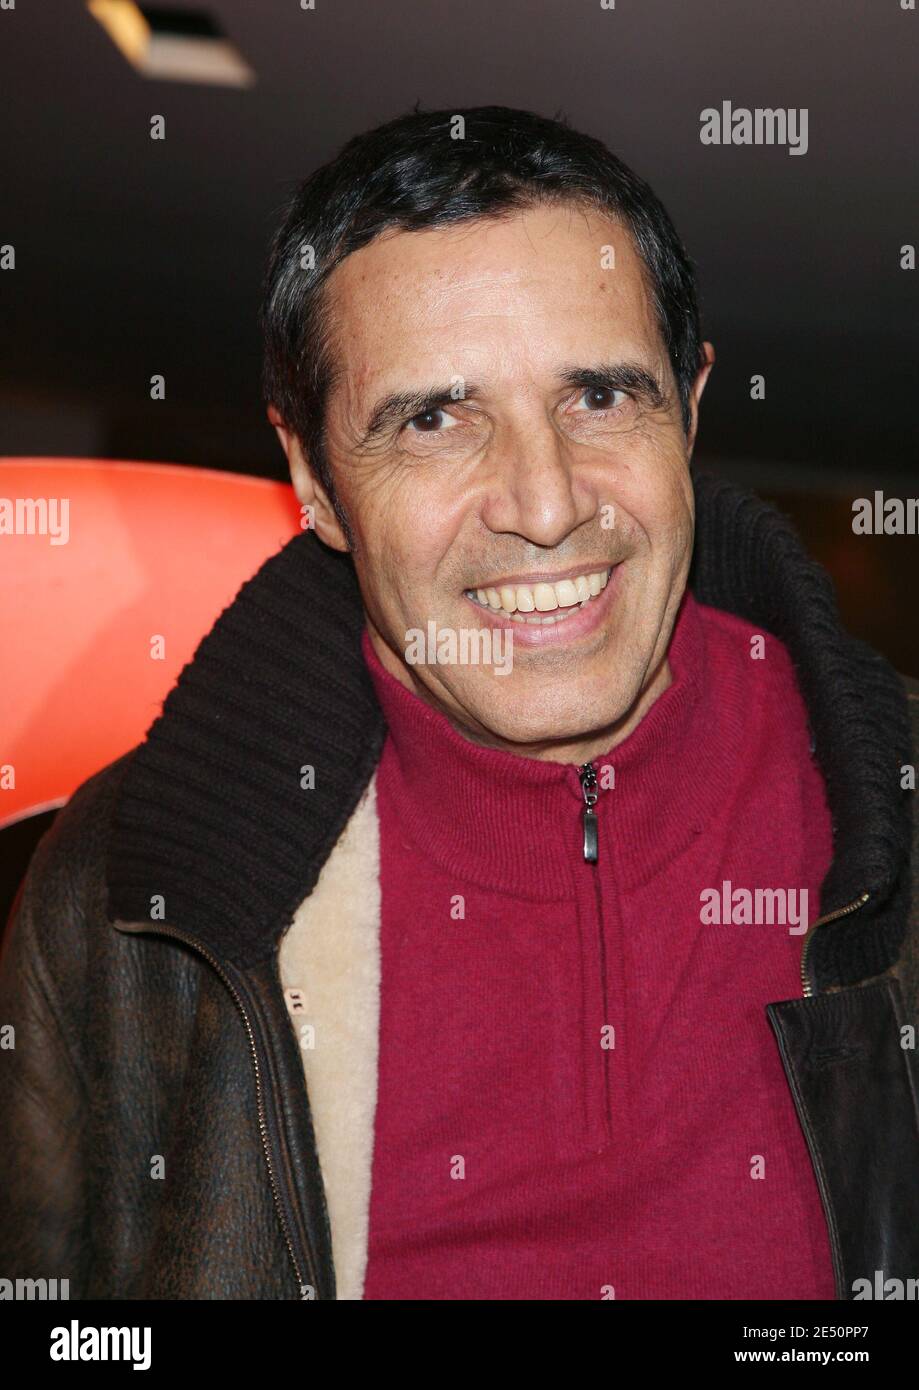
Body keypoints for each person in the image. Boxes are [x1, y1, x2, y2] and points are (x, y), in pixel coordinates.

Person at [1, 104, 917, 1301]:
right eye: (434, 419)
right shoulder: (115, 909)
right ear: (314, 479)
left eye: (598, 397)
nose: (543, 503)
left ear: (689, 408)